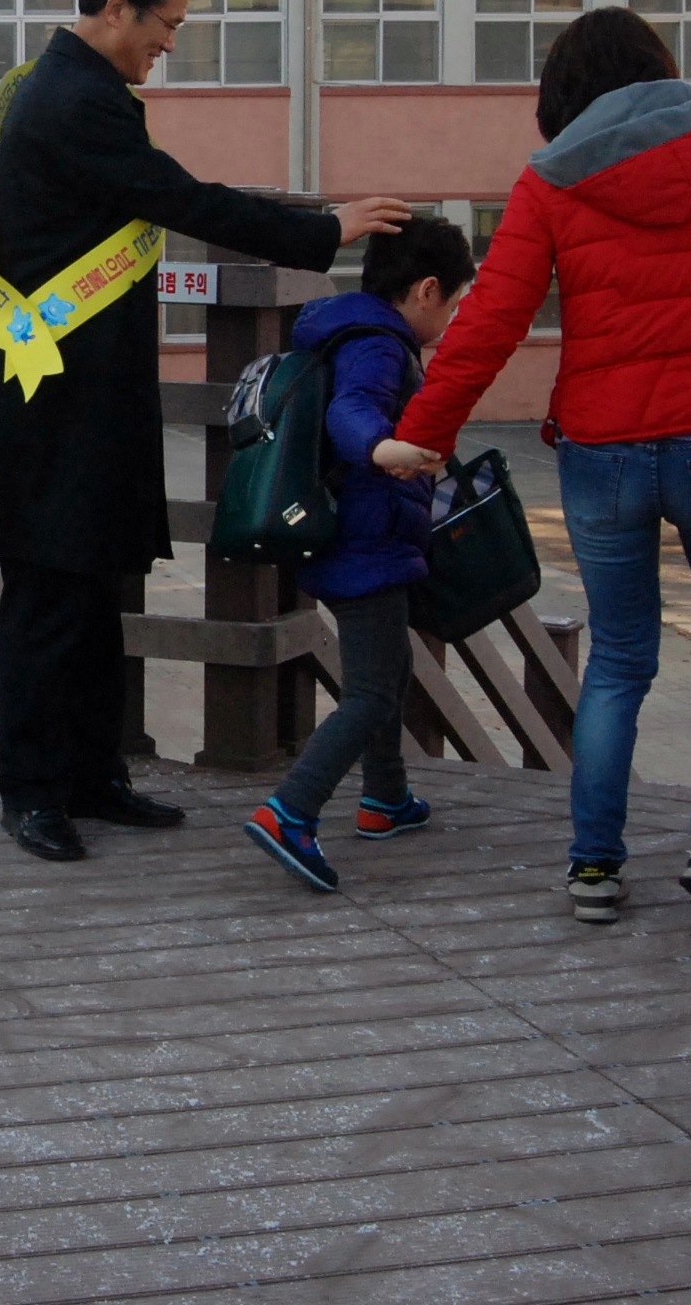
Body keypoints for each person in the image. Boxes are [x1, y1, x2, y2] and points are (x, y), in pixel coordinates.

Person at [0, 0, 412, 863]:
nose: (170, 43)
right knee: (48, 597)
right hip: (54, 403)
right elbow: (184, 201)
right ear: (116, 7)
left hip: (79, 395)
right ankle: (33, 792)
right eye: (166, 23)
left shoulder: (72, 89)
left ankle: (93, 775)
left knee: (99, 587)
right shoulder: (78, 104)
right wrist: (321, 229)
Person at [389, 8, 691, 927]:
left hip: (605, 443)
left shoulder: (552, 179)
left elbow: (489, 326)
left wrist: (422, 436)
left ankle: (594, 866)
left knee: (622, 656)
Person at [240, 216, 476, 893]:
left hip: (354, 536)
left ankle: (386, 800)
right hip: (366, 541)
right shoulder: (378, 345)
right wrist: (384, 448)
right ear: (427, 291)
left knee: (389, 671)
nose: (452, 319)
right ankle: (292, 810)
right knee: (372, 690)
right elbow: (351, 411)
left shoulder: (348, 328)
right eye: (455, 305)